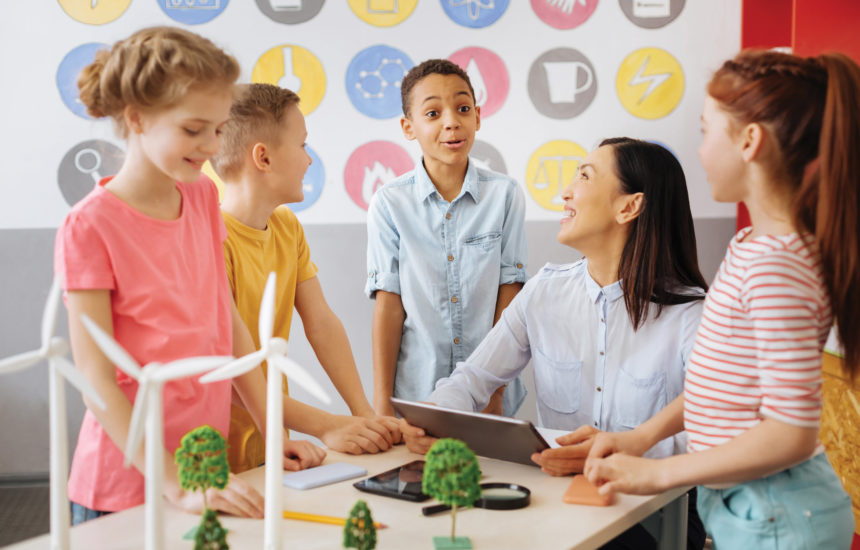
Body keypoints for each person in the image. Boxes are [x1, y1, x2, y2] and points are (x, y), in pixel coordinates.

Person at [583, 50, 860, 549]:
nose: (702, 150)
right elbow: (722, 384)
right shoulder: (752, 246)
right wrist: (640, 439)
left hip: (780, 518)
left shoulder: (779, 265)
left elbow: (789, 434)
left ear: (750, 142)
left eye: (707, 131)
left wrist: (659, 476)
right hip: (753, 511)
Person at [56, 27, 323, 525]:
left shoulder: (202, 197)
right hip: (127, 484)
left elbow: (228, 328)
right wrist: (173, 482)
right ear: (136, 119)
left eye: (219, 130)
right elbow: (95, 378)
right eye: (193, 129)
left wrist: (274, 431)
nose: (209, 146)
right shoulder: (89, 226)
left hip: (206, 471)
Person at [402, 137, 709, 550]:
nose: (566, 192)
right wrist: (436, 418)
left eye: (584, 176)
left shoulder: (692, 314)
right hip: (556, 505)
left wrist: (623, 456)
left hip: (653, 512)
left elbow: (715, 436)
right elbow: (474, 378)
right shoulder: (544, 292)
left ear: (628, 207)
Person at [208, 83, 400, 473]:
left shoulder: (286, 226)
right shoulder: (210, 241)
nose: (309, 161)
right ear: (262, 157)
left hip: (273, 442)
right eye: (302, 146)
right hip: (216, 452)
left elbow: (322, 324)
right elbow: (226, 373)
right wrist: (327, 426)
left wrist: (363, 414)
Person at [366, 59, 528, 419]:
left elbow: (510, 298)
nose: (451, 121)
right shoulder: (389, 203)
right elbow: (388, 305)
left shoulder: (505, 195)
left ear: (478, 117)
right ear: (409, 127)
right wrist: (381, 404)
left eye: (463, 108)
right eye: (433, 113)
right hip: (415, 391)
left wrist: (494, 391)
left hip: (488, 391)